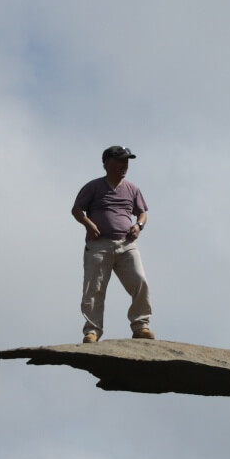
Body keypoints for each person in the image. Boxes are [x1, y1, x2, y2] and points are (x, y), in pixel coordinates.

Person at [71, 145, 154, 343]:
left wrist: (139, 226)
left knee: (139, 281)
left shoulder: (132, 188)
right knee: (94, 288)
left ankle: (141, 326)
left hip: (126, 244)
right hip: (99, 244)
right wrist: (89, 224)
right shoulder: (94, 186)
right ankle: (92, 330)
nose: (124, 165)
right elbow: (76, 210)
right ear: (107, 163)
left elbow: (142, 213)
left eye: (126, 161)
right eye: (120, 161)